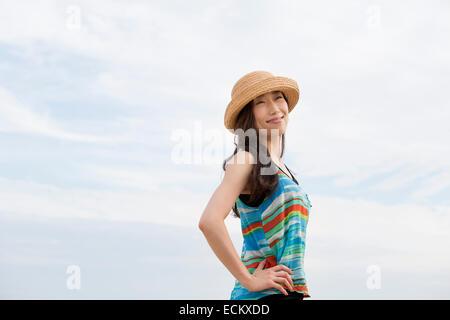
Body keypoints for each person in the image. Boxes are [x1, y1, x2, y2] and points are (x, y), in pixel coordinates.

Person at [198, 70, 312, 300]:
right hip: (261, 296)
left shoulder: (282, 169)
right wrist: (249, 279)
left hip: (288, 291)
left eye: (278, 97)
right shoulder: (247, 158)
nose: (274, 108)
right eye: (261, 102)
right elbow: (209, 221)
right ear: (248, 115)